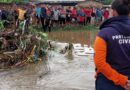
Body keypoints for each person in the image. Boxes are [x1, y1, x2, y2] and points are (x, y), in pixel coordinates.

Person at [94, 0, 130, 90]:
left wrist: (122, 80)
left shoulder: (104, 33)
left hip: (108, 82)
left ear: (114, 12)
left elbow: (100, 62)